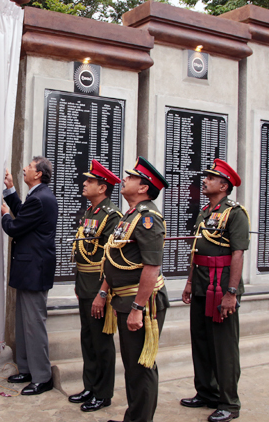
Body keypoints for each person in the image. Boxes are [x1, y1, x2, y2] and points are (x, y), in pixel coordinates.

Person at [99, 156, 169, 422]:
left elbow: (152, 267)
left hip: (141, 304)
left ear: (143, 188)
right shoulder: (130, 215)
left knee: (142, 366)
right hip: (124, 300)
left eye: (131, 177)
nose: (124, 179)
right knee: (131, 366)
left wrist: (138, 308)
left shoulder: (148, 218)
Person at [180, 159, 250, 422]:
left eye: (211, 178)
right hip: (200, 283)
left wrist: (231, 292)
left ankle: (229, 403)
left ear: (224, 185)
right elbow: (196, 251)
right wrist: (189, 282)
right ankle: (206, 392)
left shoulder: (235, 213)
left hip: (221, 287)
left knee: (224, 345)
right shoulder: (206, 212)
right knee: (200, 341)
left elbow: (238, 253)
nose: (205, 181)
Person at [1, 156, 58, 396]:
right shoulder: (38, 195)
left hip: (34, 270)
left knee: (34, 325)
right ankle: (26, 369)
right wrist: (10, 189)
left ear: (38, 174)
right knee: (24, 323)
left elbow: (15, 227)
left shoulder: (41, 198)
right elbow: (24, 214)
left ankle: (42, 377)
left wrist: (4, 214)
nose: (24, 168)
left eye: (29, 167)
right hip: (29, 269)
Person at [68, 160, 122, 412]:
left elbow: (111, 258)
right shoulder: (90, 212)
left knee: (101, 341)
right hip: (85, 284)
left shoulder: (112, 217)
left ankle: (103, 392)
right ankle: (90, 385)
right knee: (87, 338)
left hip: (100, 288)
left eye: (90, 181)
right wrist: (79, 284)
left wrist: (102, 292)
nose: (84, 183)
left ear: (102, 188)